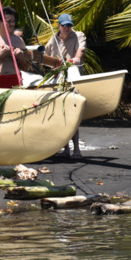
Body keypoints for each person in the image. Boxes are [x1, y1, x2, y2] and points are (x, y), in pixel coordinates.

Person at [44, 13, 87, 159]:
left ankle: (76, 150)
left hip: (73, 79)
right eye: (64, 25)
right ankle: (66, 149)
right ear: (59, 26)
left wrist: (76, 59)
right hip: (58, 81)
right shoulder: (53, 40)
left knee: (73, 114)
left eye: (69, 25)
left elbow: (80, 51)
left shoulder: (78, 35)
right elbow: (46, 58)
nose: (67, 28)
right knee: (61, 114)